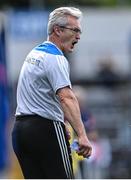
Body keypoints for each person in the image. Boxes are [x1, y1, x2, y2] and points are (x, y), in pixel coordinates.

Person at [12, 7, 92, 179]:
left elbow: (42, 95)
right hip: (45, 130)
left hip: (20, 130)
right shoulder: (55, 58)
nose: (78, 36)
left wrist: (60, 120)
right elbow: (67, 97)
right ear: (58, 30)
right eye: (75, 30)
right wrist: (82, 135)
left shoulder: (34, 54)